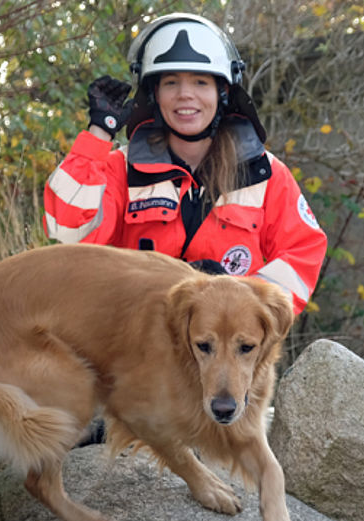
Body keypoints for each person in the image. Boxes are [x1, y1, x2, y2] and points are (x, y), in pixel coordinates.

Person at [43, 12, 327, 315]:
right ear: (154, 94)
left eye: (201, 82)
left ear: (224, 92)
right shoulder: (121, 169)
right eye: (171, 82)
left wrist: (240, 303)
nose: (185, 95)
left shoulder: (263, 173)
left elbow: (302, 253)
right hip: (137, 346)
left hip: (229, 352)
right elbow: (68, 234)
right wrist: (98, 134)